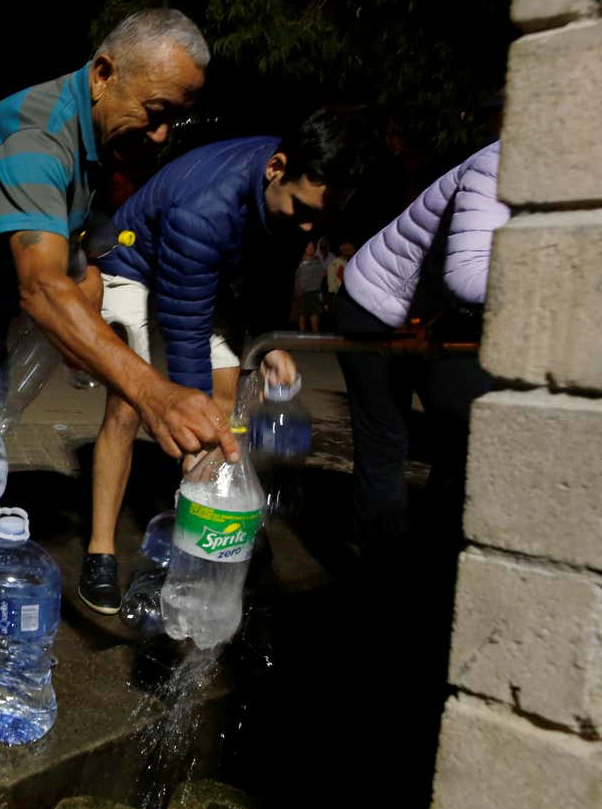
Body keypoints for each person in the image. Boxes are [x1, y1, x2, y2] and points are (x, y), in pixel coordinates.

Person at [0, 9, 231, 706]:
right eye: (154, 114)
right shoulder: (35, 135)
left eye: (172, 123)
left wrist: (87, 327)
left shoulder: (97, 144)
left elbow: (77, 262)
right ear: (103, 74)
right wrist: (153, 394)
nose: (159, 138)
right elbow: (41, 285)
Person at [81, 109, 376, 613]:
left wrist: (269, 343)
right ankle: (100, 550)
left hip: (203, 272)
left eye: (320, 218)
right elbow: (184, 324)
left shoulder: (297, 198)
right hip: (136, 264)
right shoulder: (203, 206)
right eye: (303, 211)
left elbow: (269, 273)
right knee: (131, 405)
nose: (308, 227)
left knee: (225, 401)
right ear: (275, 167)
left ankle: (210, 533)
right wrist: (188, 435)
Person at [337, 140, 505, 556]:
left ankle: (434, 556)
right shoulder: (499, 162)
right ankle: (381, 568)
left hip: (439, 318)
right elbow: (466, 274)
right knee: (386, 444)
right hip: (375, 303)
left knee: (470, 437)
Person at [295, 239, 328, 331]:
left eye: (312, 247)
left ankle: (315, 335)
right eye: (308, 246)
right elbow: (296, 277)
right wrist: (297, 290)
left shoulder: (317, 260)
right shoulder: (299, 260)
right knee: (302, 314)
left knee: (315, 313)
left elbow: (323, 273)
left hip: (315, 290)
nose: (310, 248)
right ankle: (302, 335)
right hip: (302, 292)